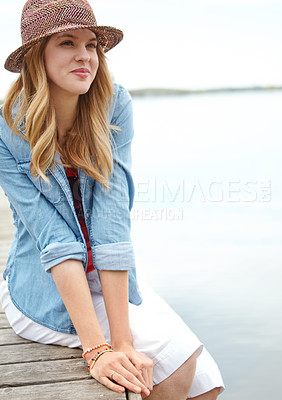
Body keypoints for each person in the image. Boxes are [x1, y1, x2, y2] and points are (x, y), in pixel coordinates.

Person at [0, 0, 225, 398]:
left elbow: (111, 220)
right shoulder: (7, 127)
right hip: (44, 282)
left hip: (103, 275)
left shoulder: (113, 104)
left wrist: (122, 341)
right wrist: (98, 349)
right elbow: (52, 238)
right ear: (38, 57)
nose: (84, 55)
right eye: (67, 43)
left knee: (207, 380)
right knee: (174, 370)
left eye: (92, 45)